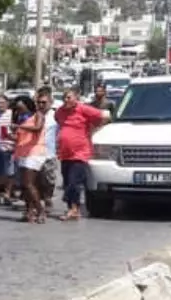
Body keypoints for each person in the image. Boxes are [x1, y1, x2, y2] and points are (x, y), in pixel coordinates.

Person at [54, 88, 104, 221]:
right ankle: (73, 208)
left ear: (76, 98)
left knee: (73, 181)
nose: (66, 100)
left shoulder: (83, 109)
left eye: (69, 97)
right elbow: (58, 121)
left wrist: (94, 128)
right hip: (65, 153)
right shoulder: (60, 111)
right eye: (64, 97)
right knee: (67, 182)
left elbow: (100, 116)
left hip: (80, 153)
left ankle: (73, 208)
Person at [12, 94, 48, 224]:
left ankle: (40, 210)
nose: (19, 111)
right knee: (25, 185)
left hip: (34, 152)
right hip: (23, 153)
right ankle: (29, 211)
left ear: (28, 106)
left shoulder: (38, 115)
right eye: (18, 109)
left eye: (21, 108)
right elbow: (20, 138)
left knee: (29, 183)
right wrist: (9, 136)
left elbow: (37, 128)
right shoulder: (22, 119)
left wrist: (20, 127)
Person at [36, 85, 59, 210]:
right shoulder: (35, 116)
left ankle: (48, 196)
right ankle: (39, 202)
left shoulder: (55, 116)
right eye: (39, 102)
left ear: (50, 102)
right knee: (37, 179)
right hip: (36, 153)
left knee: (49, 179)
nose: (41, 105)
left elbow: (60, 133)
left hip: (50, 153)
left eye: (44, 102)